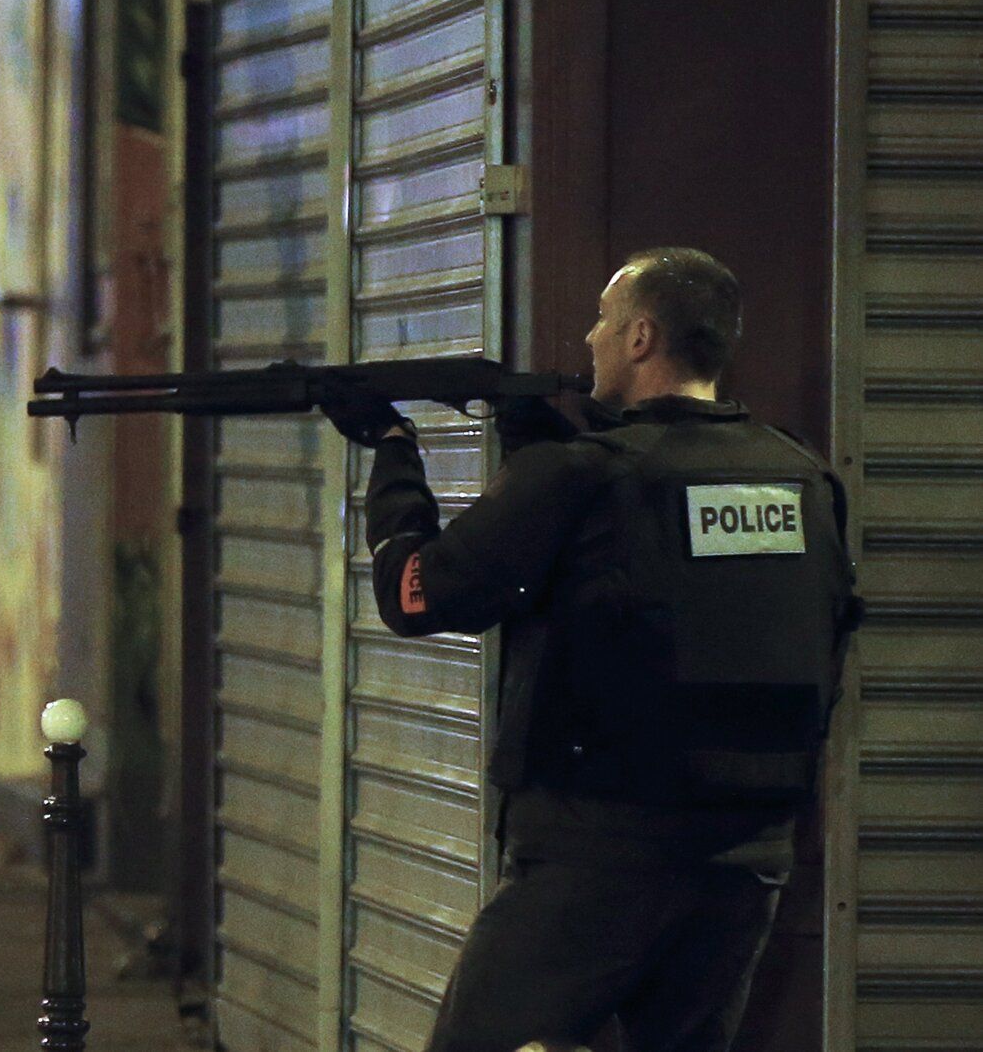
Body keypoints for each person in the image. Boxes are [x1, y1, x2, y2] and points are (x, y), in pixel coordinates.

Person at [325, 248, 862, 1052]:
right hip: (744, 864)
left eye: (603, 321)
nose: (588, 338)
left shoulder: (582, 477)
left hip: (598, 861)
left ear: (641, 337)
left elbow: (415, 592)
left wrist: (393, 448)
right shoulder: (801, 477)